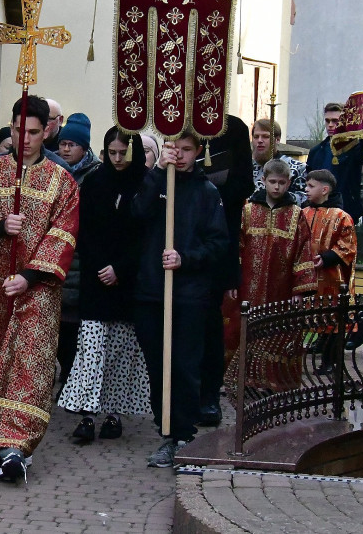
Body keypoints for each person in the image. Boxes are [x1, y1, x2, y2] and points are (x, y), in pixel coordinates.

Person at [0, 95, 80, 483]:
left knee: (30, 363)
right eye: (17, 130)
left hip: (37, 288)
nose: (24, 139)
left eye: (32, 132)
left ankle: (16, 445)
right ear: (10, 128)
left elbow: (64, 233)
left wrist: (29, 275)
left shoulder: (62, 181)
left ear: (46, 131)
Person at [131, 134, 228, 469]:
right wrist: (158, 170)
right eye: (176, 149)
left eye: (188, 150)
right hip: (151, 291)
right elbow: (137, 214)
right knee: (158, 366)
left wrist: (186, 257)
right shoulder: (157, 182)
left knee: (184, 366)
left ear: (198, 152)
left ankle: (184, 435)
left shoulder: (207, 193)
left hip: (188, 295)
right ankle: (167, 431)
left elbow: (219, 244)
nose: (182, 156)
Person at [58, 127, 152, 443]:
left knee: (120, 350)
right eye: (111, 153)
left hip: (127, 281)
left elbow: (145, 236)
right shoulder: (96, 182)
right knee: (91, 349)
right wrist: (100, 266)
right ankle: (86, 414)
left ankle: (113, 414)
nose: (117, 159)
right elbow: (84, 230)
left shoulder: (144, 184)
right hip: (96, 279)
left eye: (122, 153)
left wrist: (121, 269)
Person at [224, 158, 316, 403]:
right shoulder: (247, 211)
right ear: (262, 181)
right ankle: (242, 380)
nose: (276, 187)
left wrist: (300, 289)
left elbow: (303, 251)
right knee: (243, 331)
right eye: (272, 182)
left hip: (281, 288)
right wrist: (231, 280)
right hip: (247, 287)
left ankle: (274, 383)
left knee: (277, 333)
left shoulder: (296, 215)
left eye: (282, 183)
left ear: (288, 183)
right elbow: (236, 249)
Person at [198, 115, 254, 426]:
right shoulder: (178, 123)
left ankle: (208, 396)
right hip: (182, 240)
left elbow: (244, 183)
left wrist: (212, 192)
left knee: (209, 323)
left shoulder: (233, 129)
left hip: (218, 239)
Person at [55, 112, 100, 396]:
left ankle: (74, 379)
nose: (66, 149)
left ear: (84, 147)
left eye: (73, 144)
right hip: (58, 257)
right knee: (59, 328)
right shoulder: (55, 172)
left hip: (82, 258)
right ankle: (65, 374)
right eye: (63, 143)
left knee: (77, 327)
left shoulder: (94, 175)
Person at [302, 169, 358, 374]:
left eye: (311, 186)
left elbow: (348, 246)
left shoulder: (342, 217)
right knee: (312, 319)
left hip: (333, 280)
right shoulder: (303, 213)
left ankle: (330, 363)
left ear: (325, 190)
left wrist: (326, 258)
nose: (306, 190)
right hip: (308, 279)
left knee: (334, 322)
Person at [306, 103, 363, 223]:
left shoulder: (354, 148)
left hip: (346, 210)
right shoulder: (316, 151)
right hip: (319, 211)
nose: (330, 125)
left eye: (335, 121)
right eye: (327, 121)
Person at [251, 118, 307, 205]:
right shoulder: (246, 168)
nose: (260, 141)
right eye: (256, 137)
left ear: (277, 139)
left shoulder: (297, 168)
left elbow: (305, 198)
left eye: (265, 136)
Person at [56, 113, 101, 184]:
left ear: (84, 149)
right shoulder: (49, 163)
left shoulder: (96, 172)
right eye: (63, 144)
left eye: (71, 145)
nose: (66, 149)